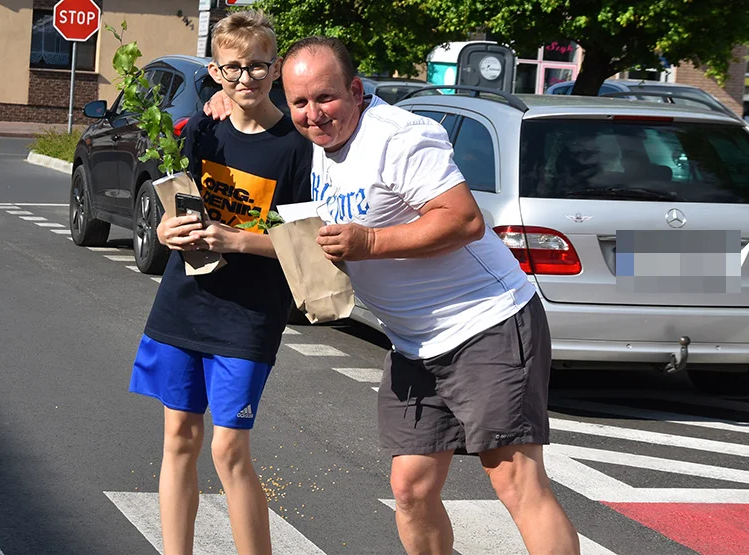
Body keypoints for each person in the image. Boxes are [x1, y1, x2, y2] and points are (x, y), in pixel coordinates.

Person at [206, 37, 580, 555]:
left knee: (514, 480)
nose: (314, 115)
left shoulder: (399, 136)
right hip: (414, 344)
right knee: (411, 488)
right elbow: (257, 115)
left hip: (484, 323)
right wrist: (230, 99)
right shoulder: (310, 146)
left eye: (326, 98)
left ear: (356, 91)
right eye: (299, 103)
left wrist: (370, 242)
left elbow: (465, 220)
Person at [128, 11, 311, 555]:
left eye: (257, 66)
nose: (245, 79)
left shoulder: (296, 146)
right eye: (233, 68)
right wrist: (165, 228)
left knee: (229, 450)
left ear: (275, 68)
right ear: (215, 70)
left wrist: (234, 240)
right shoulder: (204, 132)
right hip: (183, 301)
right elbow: (176, 208)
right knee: (178, 440)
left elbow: (303, 247)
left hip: (248, 315)